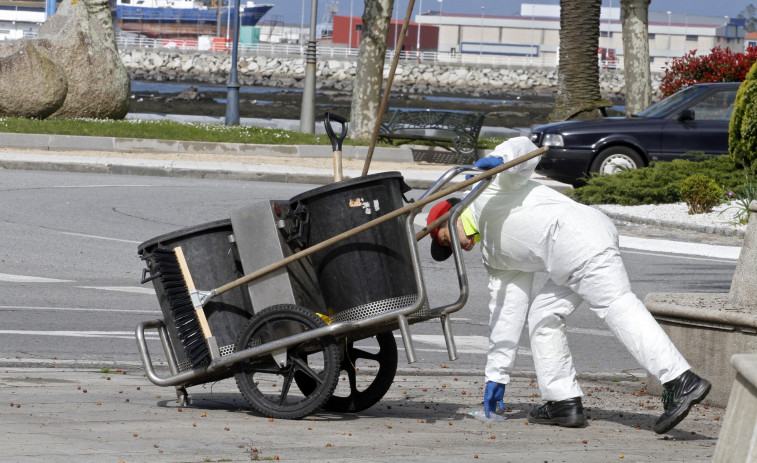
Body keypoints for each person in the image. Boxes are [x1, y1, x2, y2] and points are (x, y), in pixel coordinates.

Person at [426, 136, 711, 434]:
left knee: (617, 305)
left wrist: (501, 158)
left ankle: (681, 379)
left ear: (450, 216)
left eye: (447, 241)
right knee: (543, 317)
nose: (462, 250)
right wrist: (496, 376)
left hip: (580, 237)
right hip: (566, 258)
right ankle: (563, 401)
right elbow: (507, 310)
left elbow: (524, 151)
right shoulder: (493, 256)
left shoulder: (488, 187)